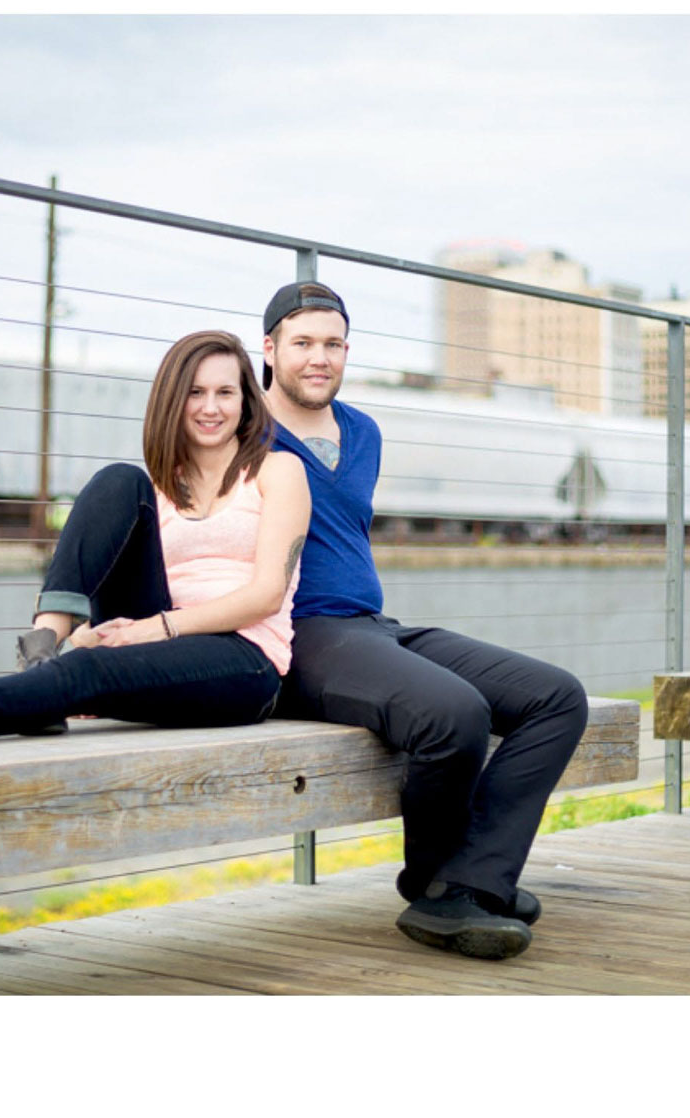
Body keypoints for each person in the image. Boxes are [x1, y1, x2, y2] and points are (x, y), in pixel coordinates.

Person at [259, 281, 589, 961]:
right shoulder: (242, 431)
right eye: (302, 343)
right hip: (300, 637)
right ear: (269, 349)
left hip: (373, 625)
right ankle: (450, 888)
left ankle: (464, 878)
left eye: (333, 343)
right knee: (453, 712)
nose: (319, 357)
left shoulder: (363, 432)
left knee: (556, 698)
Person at [0, 329, 310, 748]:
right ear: (171, 399)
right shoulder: (156, 488)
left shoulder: (277, 471)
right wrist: (86, 633)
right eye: (195, 392)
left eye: (225, 392)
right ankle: (42, 648)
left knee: (90, 672)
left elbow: (267, 595)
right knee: (119, 480)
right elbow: (126, 593)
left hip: (243, 661)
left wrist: (157, 629)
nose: (210, 407)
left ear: (246, 401)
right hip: (157, 638)